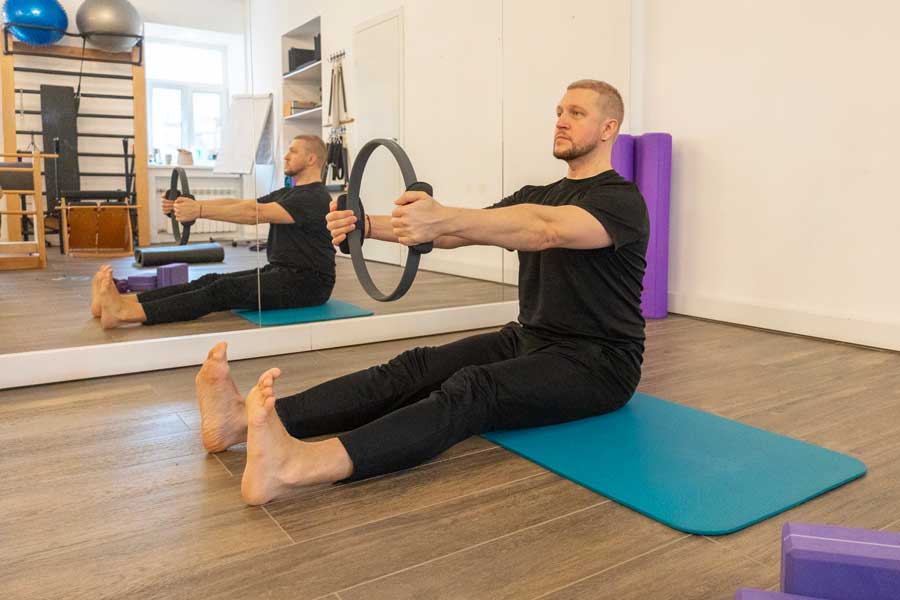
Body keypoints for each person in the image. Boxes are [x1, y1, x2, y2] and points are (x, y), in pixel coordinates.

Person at [195, 79, 650, 505]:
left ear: (608, 128)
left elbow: (545, 230)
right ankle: (239, 421)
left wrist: (444, 216)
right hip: (530, 337)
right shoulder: (538, 193)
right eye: (559, 111)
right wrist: (364, 224)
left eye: (576, 113)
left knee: (473, 389)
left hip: (600, 362)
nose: (561, 121)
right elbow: (452, 233)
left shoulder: (620, 200)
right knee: (414, 367)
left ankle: (297, 465)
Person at [91, 135, 336, 329]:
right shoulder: (288, 193)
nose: (285, 156)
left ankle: (125, 313)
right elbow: (239, 203)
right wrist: (191, 205)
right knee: (210, 280)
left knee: (221, 291)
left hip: (308, 284)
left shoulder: (315, 197)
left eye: (293, 151)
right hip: (281, 272)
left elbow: (254, 213)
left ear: (311, 159)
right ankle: (122, 301)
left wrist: (198, 210)